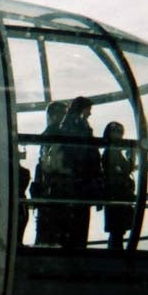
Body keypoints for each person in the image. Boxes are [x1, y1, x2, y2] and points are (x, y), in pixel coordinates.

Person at [55, 96, 102, 249]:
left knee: (75, 220)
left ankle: (74, 249)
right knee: (79, 220)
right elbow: (82, 152)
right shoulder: (78, 126)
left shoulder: (69, 124)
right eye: (89, 110)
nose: (90, 113)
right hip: (80, 181)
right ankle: (77, 250)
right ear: (82, 109)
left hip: (77, 181)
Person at [31, 100, 68, 246]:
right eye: (62, 114)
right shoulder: (58, 134)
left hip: (47, 187)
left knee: (46, 228)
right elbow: (52, 164)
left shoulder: (47, 134)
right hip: (55, 187)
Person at [100, 122, 134, 251]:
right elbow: (124, 170)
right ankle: (115, 253)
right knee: (117, 229)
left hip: (116, 194)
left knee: (117, 230)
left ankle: (114, 252)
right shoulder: (112, 152)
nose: (119, 135)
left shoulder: (111, 151)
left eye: (120, 132)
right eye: (116, 132)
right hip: (117, 194)